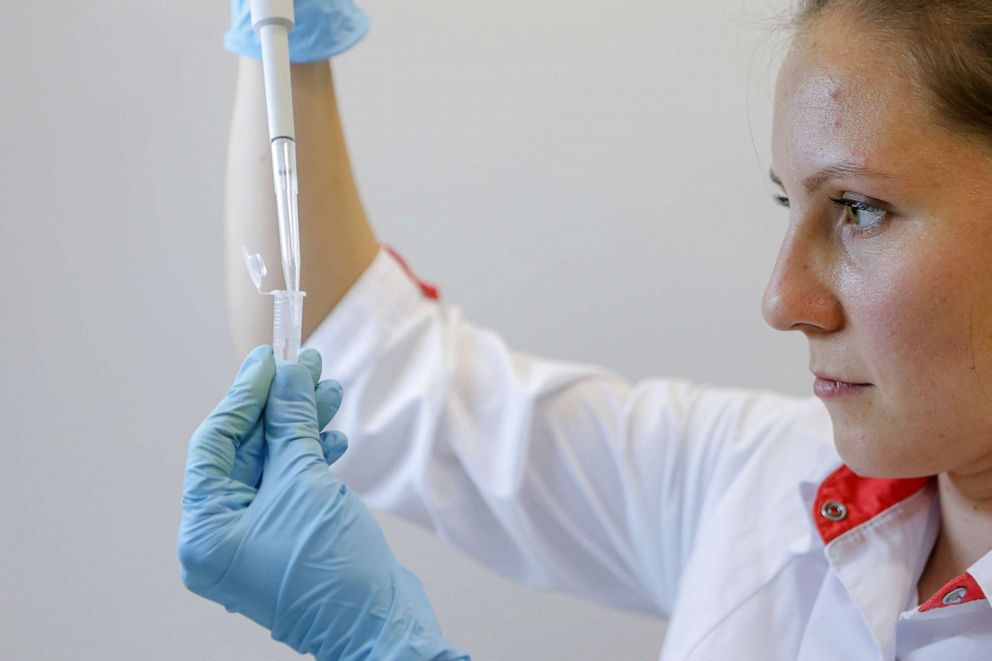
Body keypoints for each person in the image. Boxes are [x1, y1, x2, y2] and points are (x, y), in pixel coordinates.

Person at [179, 0, 992, 658]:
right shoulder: (773, 480)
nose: (781, 299)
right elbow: (356, 357)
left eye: (857, 209)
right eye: (790, 202)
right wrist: (283, 37)